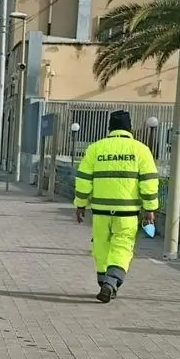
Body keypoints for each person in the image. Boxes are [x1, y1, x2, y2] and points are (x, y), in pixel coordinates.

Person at [72, 109, 160, 303]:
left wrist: (80, 205)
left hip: (100, 211)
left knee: (101, 246)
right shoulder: (141, 150)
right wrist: (150, 209)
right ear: (129, 128)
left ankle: (104, 281)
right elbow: (149, 181)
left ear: (109, 127)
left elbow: (83, 180)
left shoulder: (95, 149)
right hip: (127, 213)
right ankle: (111, 282)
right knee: (122, 246)